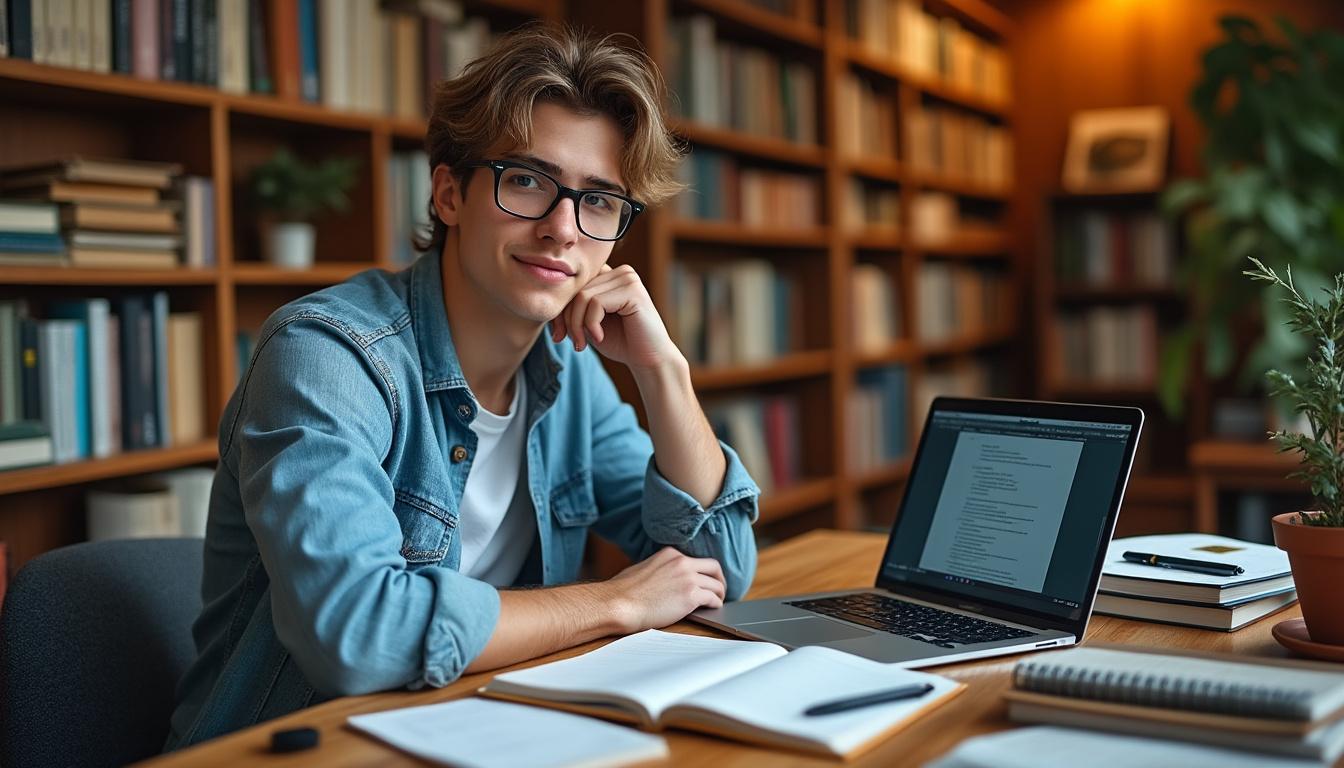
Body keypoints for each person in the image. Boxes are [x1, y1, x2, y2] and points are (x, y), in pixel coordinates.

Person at [165, 24, 760, 749]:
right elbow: (357, 636)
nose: (563, 230)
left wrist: (664, 372)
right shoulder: (328, 356)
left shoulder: (568, 374)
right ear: (449, 194)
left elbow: (720, 570)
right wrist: (613, 604)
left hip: (480, 732)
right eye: (529, 182)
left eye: (600, 201)